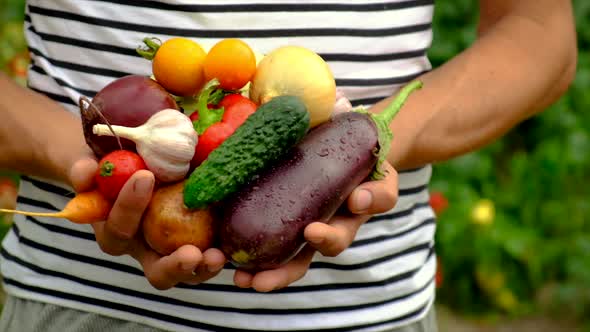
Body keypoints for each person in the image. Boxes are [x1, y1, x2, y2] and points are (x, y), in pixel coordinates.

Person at [0, 0, 577, 331]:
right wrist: (93, 167)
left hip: (367, 312)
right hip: (79, 303)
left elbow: (538, 36)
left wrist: (358, 149)